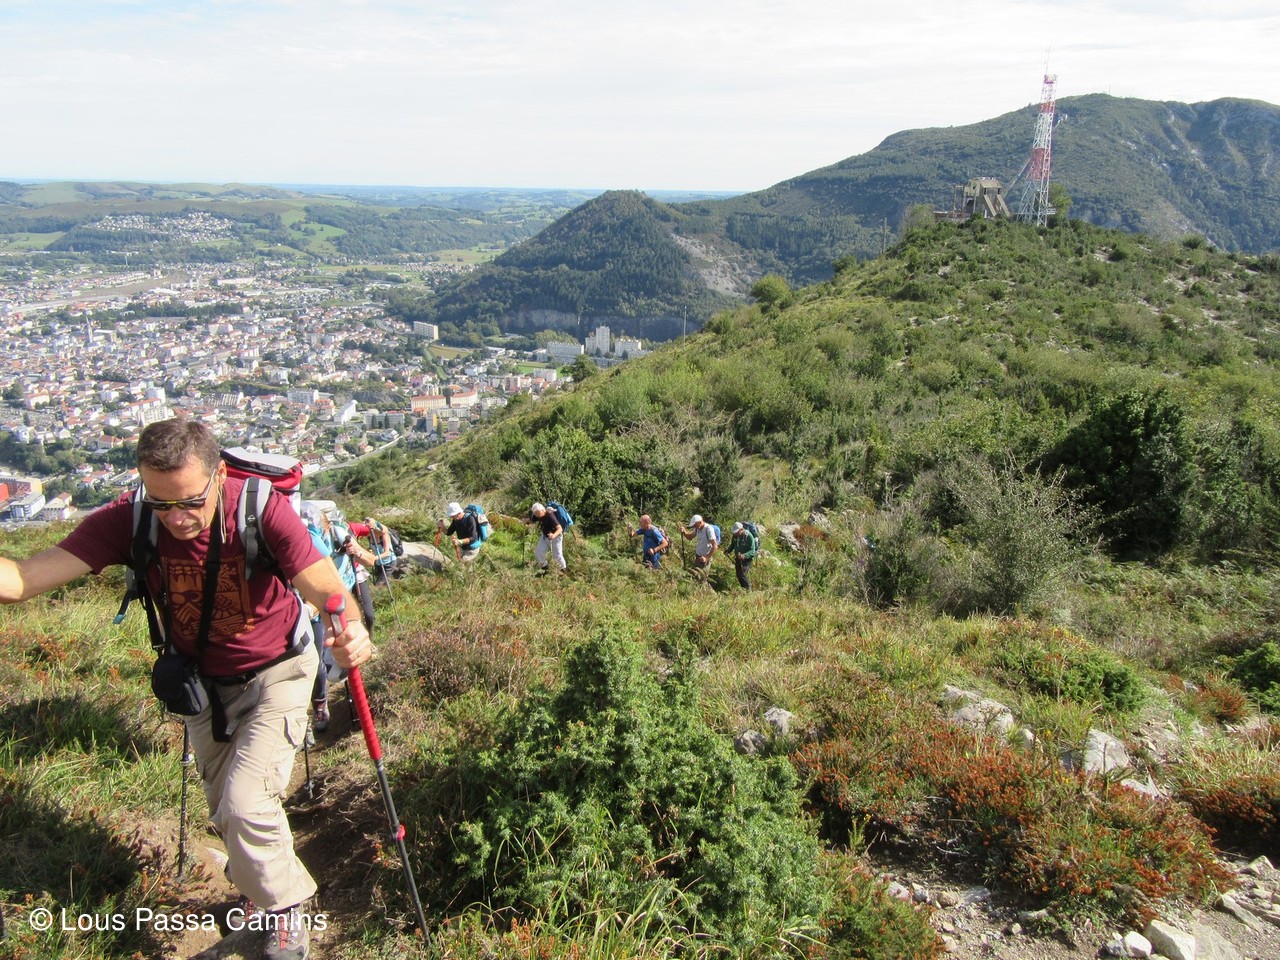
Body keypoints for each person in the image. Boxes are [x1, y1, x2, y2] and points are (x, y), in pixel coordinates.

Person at [0, 419, 371, 960]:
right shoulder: (130, 520)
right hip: (204, 687)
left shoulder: (259, 509)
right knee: (225, 809)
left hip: (279, 671)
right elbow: (21, 581)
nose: (176, 518)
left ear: (219, 476)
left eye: (191, 502)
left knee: (245, 804)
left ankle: (287, 914)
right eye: (161, 504)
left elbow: (326, 588)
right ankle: (258, 892)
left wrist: (350, 627)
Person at [528, 501, 566, 574]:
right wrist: (526, 522)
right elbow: (532, 520)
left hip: (556, 537)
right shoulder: (539, 514)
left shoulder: (550, 515)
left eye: (537, 513)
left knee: (557, 556)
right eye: (535, 513)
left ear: (542, 510)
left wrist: (553, 535)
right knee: (538, 553)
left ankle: (563, 571)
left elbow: (560, 529)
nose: (536, 515)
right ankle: (546, 569)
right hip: (544, 537)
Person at [729, 521, 758, 590]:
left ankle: (748, 589)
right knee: (738, 575)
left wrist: (744, 555)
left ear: (741, 529)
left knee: (742, 574)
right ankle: (743, 589)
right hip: (738, 558)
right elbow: (733, 544)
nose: (736, 533)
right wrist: (728, 550)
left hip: (747, 559)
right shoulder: (735, 536)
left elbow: (752, 550)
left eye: (737, 532)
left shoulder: (748, 536)